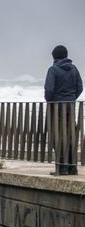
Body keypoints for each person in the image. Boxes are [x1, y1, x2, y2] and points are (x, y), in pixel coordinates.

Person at [45, 45, 83, 175]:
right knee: (71, 136)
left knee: (58, 136)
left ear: (54, 57)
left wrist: (51, 101)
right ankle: (72, 167)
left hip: (56, 109)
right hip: (70, 107)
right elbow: (80, 87)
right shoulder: (74, 69)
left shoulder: (53, 70)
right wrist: (71, 98)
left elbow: (49, 90)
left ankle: (62, 168)